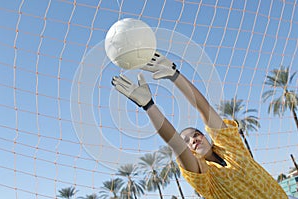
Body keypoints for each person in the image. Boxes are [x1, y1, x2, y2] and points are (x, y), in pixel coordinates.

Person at [111, 52, 288, 199]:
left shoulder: (231, 147)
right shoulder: (205, 177)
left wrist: (175, 75)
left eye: (195, 135)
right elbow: (175, 142)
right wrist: (149, 106)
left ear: (205, 136)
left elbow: (204, 108)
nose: (193, 140)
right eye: (187, 142)